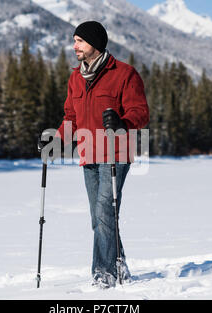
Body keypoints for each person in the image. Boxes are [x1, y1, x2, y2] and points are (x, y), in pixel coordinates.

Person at [38, 21, 149, 288]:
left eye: (79, 41)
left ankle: (104, 274)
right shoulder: (76, 78)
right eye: (74, 40)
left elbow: (140, 112)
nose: (74, 46)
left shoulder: (124, 74)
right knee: (100, 218)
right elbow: (72, 119)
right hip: (88, 154)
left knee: (103, 215)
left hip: (115, 154)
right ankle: (119, 264)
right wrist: (56, 140)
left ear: (94, 45)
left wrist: (123, 123)